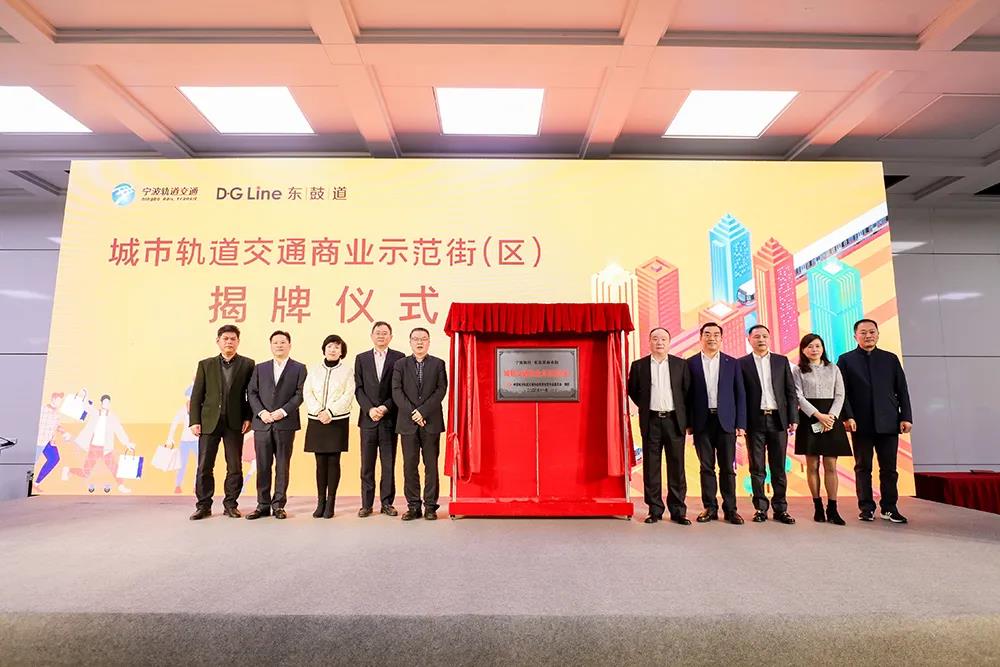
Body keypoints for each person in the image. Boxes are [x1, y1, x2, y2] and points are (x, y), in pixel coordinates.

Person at [838, 319, 913, 524]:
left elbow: (902, 389)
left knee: (889, 469)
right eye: (863, 333)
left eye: (872, 332)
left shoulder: (890, 359)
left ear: (878, 334)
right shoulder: (846, 360)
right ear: (855, 336)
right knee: (863, 467)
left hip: (889, 421)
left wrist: (906, 416)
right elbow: (842, 393)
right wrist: (847, 417)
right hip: (860, 423)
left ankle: (889, 507)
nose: (868, 336)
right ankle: (866, 507)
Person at [188, 324, 254, 520]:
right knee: (204, 466)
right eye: (225, 338)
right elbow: (197, 395)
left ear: (238, 342)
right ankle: (203, 506)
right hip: (209, 422)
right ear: (218, 341)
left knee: (234, 466)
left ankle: (231, 504)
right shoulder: (205, 365)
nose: (229, 342)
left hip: (235, 422)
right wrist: (194, 421)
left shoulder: (248, 364)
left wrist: (248, 417)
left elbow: (250, 394)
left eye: (233, 339)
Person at [627, 327, 692, 525]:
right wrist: (647, 408)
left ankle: (678, 510)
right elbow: (633, 391)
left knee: (677, 467)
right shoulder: (639, 366)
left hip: (674, 421)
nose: (659, 342)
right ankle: (654, 510)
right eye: (655, 339)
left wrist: (687, 422)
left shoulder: (681, 365)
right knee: (651, 468)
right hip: (651, 421)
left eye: (663, 339)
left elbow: (687, 393)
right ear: (649, 342)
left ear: (669, 342)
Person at [687, 322, 746, 525]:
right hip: (701, 422)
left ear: (721, 338)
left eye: (715, 334)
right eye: (707, 334)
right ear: (700, 338)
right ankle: (710, 508)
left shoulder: (732, 363)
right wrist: (689, 423)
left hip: (726, 422)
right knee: (706, 467)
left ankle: (731, 509)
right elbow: (687, 396)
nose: (711, 338)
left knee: (728, 468)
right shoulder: (690, 363)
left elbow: (740, 394)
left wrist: (741, 423)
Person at [738, 325, 797, 525]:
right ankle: (760, 508)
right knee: (757, 467)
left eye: (764, 336)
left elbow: (790, 391)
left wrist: (793, 418)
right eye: (756, 336)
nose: (761, 339)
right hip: (754, 421)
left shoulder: (781, 361)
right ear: (749, 340)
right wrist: (741, 423)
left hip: (778, 420)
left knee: (778, 466)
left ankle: (781, 508)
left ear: (769, 339)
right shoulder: (742, 363)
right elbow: (740, 396)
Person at [246, 330, 307, 521]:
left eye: (283, 342)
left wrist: (282, 411)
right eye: (275, 342)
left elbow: (300, 394)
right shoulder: (260, 368)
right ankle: (262, 505)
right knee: (263, 465)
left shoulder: (299, 368)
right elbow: (252, 392)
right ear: (270, 345)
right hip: (262, 423)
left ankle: (279, 505)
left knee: (282, 465)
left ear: (289, 345)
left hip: (285, 423)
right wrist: (261, 412)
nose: (279, 345)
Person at [792, 333, 851, 525]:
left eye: (817, 346)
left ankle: (833, 508)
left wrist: (831, 417)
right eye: (809, 346)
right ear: (803, 350)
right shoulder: (798, 371)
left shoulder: (833, 368)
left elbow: (840, 394)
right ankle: (817, 506)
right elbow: (798, 396)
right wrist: (818, 415)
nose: (814, 349)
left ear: (823, 348)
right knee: (813, 466)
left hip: (832, 419)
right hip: (810, 418)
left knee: (831, 465)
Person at [392, 327, 447, 521]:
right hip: (407, 423)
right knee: (410, 466)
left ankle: (430, 506)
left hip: (431, 422)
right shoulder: (400, 364)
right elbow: (396, 391)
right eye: (416, 339)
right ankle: (413, 506)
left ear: (429, 341)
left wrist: (423, 411)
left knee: (431, 466)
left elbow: (441, 390)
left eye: (424, 339)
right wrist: (414, 413)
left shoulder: (438, 364)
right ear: (410, 342)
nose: (420, 342)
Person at [354, 321, 406, 518]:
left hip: (389, 419)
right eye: (378, 333)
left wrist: (385, 407)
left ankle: (387, 503)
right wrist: (370, 409)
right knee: (367, 465)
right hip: (368, 420)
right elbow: (358, 388)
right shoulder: (361, 358)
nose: (381, 336)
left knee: (388, 464)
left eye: (385, 333)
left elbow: (399, 388)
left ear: (391, 337)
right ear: (372, 336)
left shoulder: (399, 358)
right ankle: (366, 505)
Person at [303, 334, 355, 519]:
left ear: (342, 352)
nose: (333, 350)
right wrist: (319, 411)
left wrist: (330, 412)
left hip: (337, 420)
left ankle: (331, 502)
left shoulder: (347, 371)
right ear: (324, 349)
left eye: (337, 347)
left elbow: (348, 395)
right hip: (316, 419)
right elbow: (307, 392)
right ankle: (320, 502)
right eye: (330, 346)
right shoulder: (314, 369)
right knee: (320, 463)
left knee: (333, 462)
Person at [63, 393, 136, 493]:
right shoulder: (95, 413)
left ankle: (121, 486)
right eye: (104, 402)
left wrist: (127, 443)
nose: (106, 404)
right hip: (94, 448)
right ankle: (68, 470)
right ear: (101, 403)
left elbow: (119, 431)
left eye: (108, 403)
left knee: (114, 468)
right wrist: (85, 395)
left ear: (109, 404)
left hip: (106, 449)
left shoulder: (113, 417)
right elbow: (86, 406)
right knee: (86, 473)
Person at [165, 386, 199, 494]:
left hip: (197, 441)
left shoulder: (200, 408)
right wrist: (170, 438)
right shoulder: (182, 410)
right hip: (184, 441)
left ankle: (196, 485)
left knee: (199, 464)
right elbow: (174, 424)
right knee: (182, 464)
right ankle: (178, 485)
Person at [35, 392, 68, 491]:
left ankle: (36, 483)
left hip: (47, 442)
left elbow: (57, 426)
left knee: (54, 458)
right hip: (38, 441)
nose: (60, 403)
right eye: (58, 400)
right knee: (31, 464)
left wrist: (63, 433)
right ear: (53, 399)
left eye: (61, 401)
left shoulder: (57, 413)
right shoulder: (42, 409)